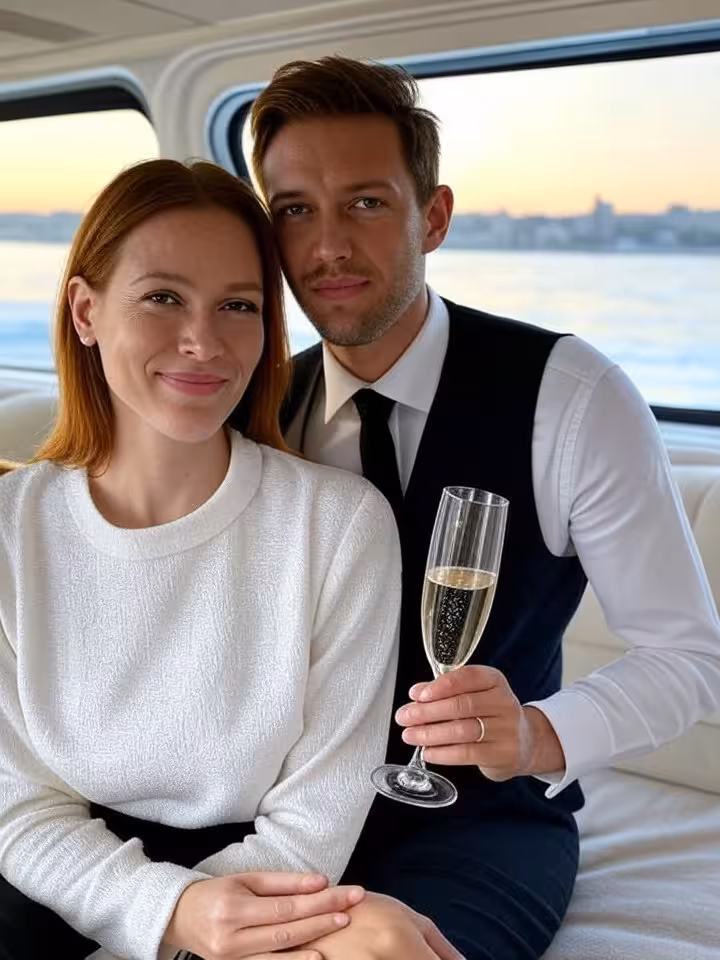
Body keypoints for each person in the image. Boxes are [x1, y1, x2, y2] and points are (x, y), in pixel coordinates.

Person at [238, 55, 720, 960]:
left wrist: (537, 734)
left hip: (478, 824)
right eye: (295, 210)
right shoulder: (256, 410)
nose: (328, 245)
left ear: (435, 215)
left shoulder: (574, 397)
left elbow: (690, 658)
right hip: (281, 809)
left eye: (367, 203)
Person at [0, 158, 404, 960]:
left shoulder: (342, 525)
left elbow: (316, 820)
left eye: (238, 306)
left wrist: (201, 920)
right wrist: (168, 912)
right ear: (85, 310)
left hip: (264, 879)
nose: (203, 341)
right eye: (162, 298)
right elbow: (16, 805)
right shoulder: (12, 530)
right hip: (55, 872)